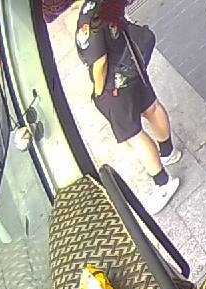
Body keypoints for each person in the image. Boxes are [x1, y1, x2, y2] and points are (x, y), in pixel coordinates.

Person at [75, 0, 181, 213]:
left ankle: (163, 183)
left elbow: (99, 62)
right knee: (151, 107)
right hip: (131, 62)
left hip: (114, 84)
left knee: (132, 134)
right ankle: (168, 151)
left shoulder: (89, 18)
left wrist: (98, 91)